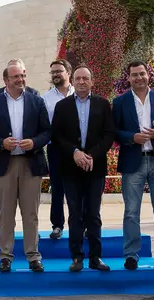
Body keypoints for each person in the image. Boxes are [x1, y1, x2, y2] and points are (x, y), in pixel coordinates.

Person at [0, 63, 51, 273]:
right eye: (15, 77)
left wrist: (35, 142)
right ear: (6, 81)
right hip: (5, 164)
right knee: (6, 214)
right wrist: (2, 143)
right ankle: (5, 256)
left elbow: (47, 132)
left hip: (31, 163)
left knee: (31, 213)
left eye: (22, 75)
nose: (20, 79)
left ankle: (33, 256)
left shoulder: (37, 101)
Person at [113, 61, 154, 271]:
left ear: (148, 75)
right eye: (134, 75)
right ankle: (132, 255)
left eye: (142, 73)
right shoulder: (120, 102)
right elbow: (114, 132)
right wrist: (132, 137)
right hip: (133, 162)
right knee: (131, 212)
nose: (139, 78)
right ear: (129, 78)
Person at [51, 66, 115, 272]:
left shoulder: (103, 105)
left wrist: (91, 155)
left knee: (93, 214)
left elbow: (108, 135)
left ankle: (96, 257)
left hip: (95, 168)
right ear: (72, 80)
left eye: (85, 78)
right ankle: (77, 257)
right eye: (77, 78)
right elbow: (57, 136)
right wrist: (75, 153)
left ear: (92, 81)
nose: (81, 82)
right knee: (75, 213)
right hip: (70, 168)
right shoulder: (62, 106)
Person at [41, 59, 74, 240]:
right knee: (58, 188)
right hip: (56, 150)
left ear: (68, 72)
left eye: (59, 71)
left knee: (78, 188)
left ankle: (80, 223)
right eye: (52, 72)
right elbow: (45, 127)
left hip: (79, 149)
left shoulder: (79, 93)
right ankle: (57, 226)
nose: (55, 74)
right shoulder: (46, 99)